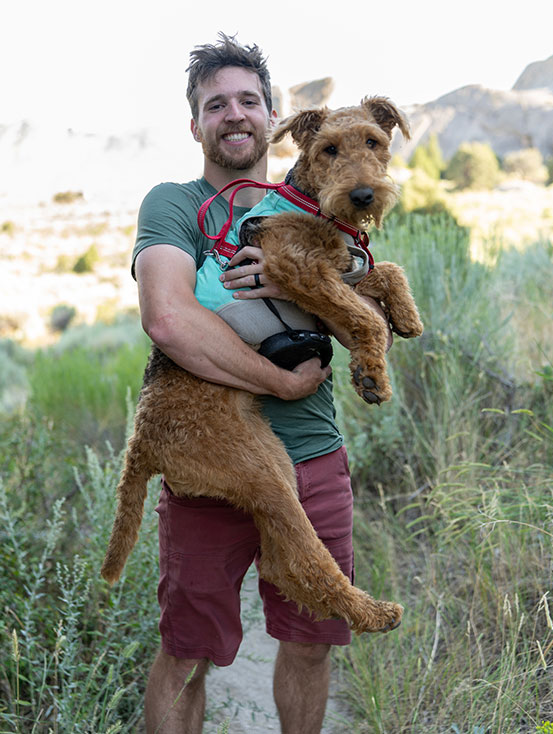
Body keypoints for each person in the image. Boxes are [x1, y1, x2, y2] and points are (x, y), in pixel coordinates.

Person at [133, 33, 392, 734]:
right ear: (196, 125)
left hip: (312, 456)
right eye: (216, 105)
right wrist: (277, 382)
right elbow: (167, 316)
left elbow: (368, 321)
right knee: (189, 653)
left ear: (275, 116)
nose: (235, 114)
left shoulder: (318, 206)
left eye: (249, 99)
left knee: (311, 643)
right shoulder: (175, 203)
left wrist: (295, 278)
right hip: (208, 465)